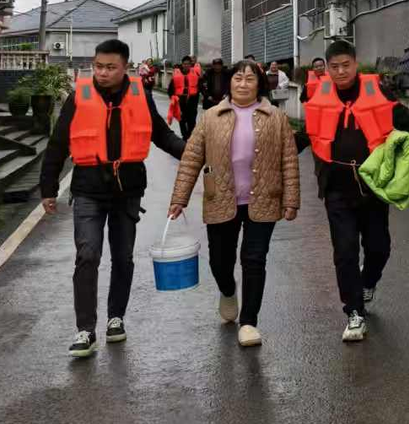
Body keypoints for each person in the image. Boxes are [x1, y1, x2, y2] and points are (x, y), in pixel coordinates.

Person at [40, 39, 186, 358]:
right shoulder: (79, 96)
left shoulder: (140, 95)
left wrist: (192, 153)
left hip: (127, 190)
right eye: (98, 66)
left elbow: (162, 135)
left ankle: (115, 318)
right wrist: (48, 188)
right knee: (87, 254)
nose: (102, 73)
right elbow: (57, 144)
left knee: (123, 257)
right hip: (88, 188)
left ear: (125, 68)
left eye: (110, 67)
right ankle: (85, 330)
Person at [168, 60, 300, 347]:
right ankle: (228, 291)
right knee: (220, 261)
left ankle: (249, 322)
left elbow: (289, 160)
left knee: (254, 259)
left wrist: (291, 200)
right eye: (238, 78)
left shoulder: (276, 118)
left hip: (264, 199)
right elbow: (191, 159)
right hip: (221, 198)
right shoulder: (211, 117)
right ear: (229, 82)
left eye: (250, 79)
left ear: (259, 85)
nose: (243, 84)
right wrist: (180, 198)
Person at [300, 39, 409, 343]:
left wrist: (404, 162)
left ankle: (368, 282)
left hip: (373, 185)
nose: (341, 71)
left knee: (379, 247)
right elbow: (307, 134)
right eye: (334, 67)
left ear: (356, 64)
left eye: (346, 65)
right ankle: (354, 312)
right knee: (345, 251)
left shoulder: (378, 92)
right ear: (327, 69)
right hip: (336, 187)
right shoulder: (319, 95)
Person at [168, 55, 202, 140]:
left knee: (192, 120)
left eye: (188, 64)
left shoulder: (195, 74)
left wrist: (204, 95)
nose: (186, 65)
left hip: (192, 100)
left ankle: (190, 136)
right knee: (182, 119)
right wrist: (172, 98)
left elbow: (200, 86)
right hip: (180, 100)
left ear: (190, 64)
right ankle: (184, 136)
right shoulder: (176, 75)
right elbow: (170, 89)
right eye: (185, 64)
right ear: (182, 64)